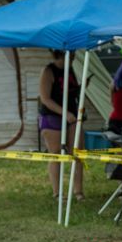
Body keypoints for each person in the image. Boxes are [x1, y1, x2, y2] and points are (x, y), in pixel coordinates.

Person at [39, 50, 84, 201]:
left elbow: (71, 91)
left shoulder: (70, 69)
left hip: (71, 115)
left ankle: (78, 192)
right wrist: (65, 113)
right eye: (71, 54)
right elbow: (45, 99)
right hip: (52, 116)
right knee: (56, 153)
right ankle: (58, 192)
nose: (73, 57)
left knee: (76, 152)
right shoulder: (48, 71)